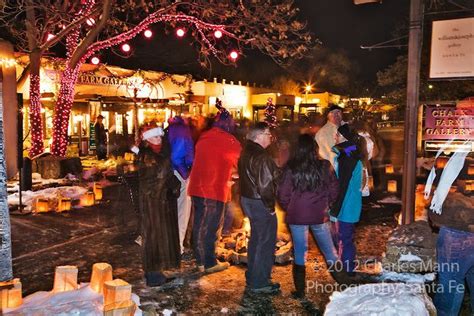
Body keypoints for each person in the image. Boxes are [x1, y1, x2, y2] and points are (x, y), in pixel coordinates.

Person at [277, 134, 344, 298]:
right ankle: (345, 284)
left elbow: (283, 194)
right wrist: (326, 204)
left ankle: (300, 291)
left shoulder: (291, 167)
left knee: (300, 252)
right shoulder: (324, 165)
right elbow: (335, 189)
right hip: (319, 215)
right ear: (315, 149)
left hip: (297, 216)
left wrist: (291, 208)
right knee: (330, 251)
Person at [188, 110, 241, 274]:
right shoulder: (230, 141)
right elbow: (241, 162)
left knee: (198, 225)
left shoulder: (204, 136)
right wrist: (235, 174)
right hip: (214, 189)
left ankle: (200, 260)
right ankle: (210, 262)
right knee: (212, 226)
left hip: (197, 187)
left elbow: (210, 159)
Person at [238, 122, 281, 295]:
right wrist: (270, 206)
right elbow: (264, 185)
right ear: (260, 135)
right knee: (265, 241)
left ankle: (254, 276)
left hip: (248, 199)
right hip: (259, 201)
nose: (271, 137)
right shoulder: (261, 156)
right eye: (268, 134)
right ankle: (259, 282)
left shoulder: (247, 151)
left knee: (256, 238)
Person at [136, 125, 181, 286]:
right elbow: (151, 182)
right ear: (147, 140)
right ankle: (153, 275)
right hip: (153, 204)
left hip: (160, 202)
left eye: (160, 137)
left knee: (159, 237)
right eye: (155, 137)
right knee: (153, 237)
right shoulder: (148, 157)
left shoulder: (158, 154)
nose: (159, 140)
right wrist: (170, 186)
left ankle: (156, 272)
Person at [167, 116, 194, 255]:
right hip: (180, 174)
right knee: (182, 212)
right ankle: (178, 248)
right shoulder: (183, 132)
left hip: (171, 174)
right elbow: (178, 156)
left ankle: (172, 245)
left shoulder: (169, 131)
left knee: (174, 211)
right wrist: (186, 172)